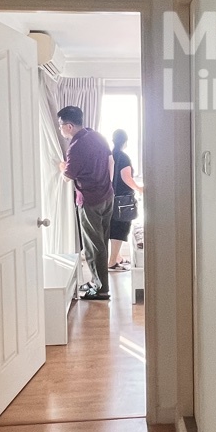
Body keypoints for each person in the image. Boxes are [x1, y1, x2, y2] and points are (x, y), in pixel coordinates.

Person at [57, 105, 114, 300]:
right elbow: (111, 162)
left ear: (69, 126)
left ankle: (101, 289)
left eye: (61, 126)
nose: (60, 130)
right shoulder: (97, 135)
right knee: (102, 242)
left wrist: (62, 167)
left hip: (90, 200)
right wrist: (106, 184)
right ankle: (98, 281)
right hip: (107, 195)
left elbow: (67, 177)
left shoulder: (76, 147)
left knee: (93, 246)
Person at [108, 129, 143, 271]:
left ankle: (117, 257)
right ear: (125, 142)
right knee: (120, 229)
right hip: (123, 200)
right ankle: (112, 262)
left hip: (111, 197)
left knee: (114, 227)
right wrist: (139, 188)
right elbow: (126, 178)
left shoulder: (110, 154)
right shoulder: (123, 157)